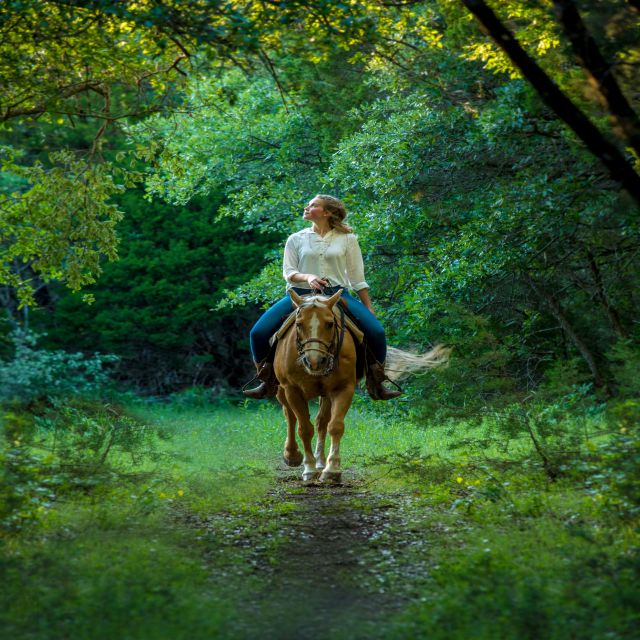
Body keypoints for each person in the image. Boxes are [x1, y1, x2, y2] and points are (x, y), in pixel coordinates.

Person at [243, 194, 401, 401]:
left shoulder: (348, 239)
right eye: (308, 205)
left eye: (313, 206)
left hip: (337, 296)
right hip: (299, 296)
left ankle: (377, 382)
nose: (307, 208)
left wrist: (368, 306)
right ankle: (266, 379)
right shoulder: (296, 238)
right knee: (258, 333)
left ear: (327, 212)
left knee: (377, 333)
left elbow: (357, 277)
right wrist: (308, 277)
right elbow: (288, 272)